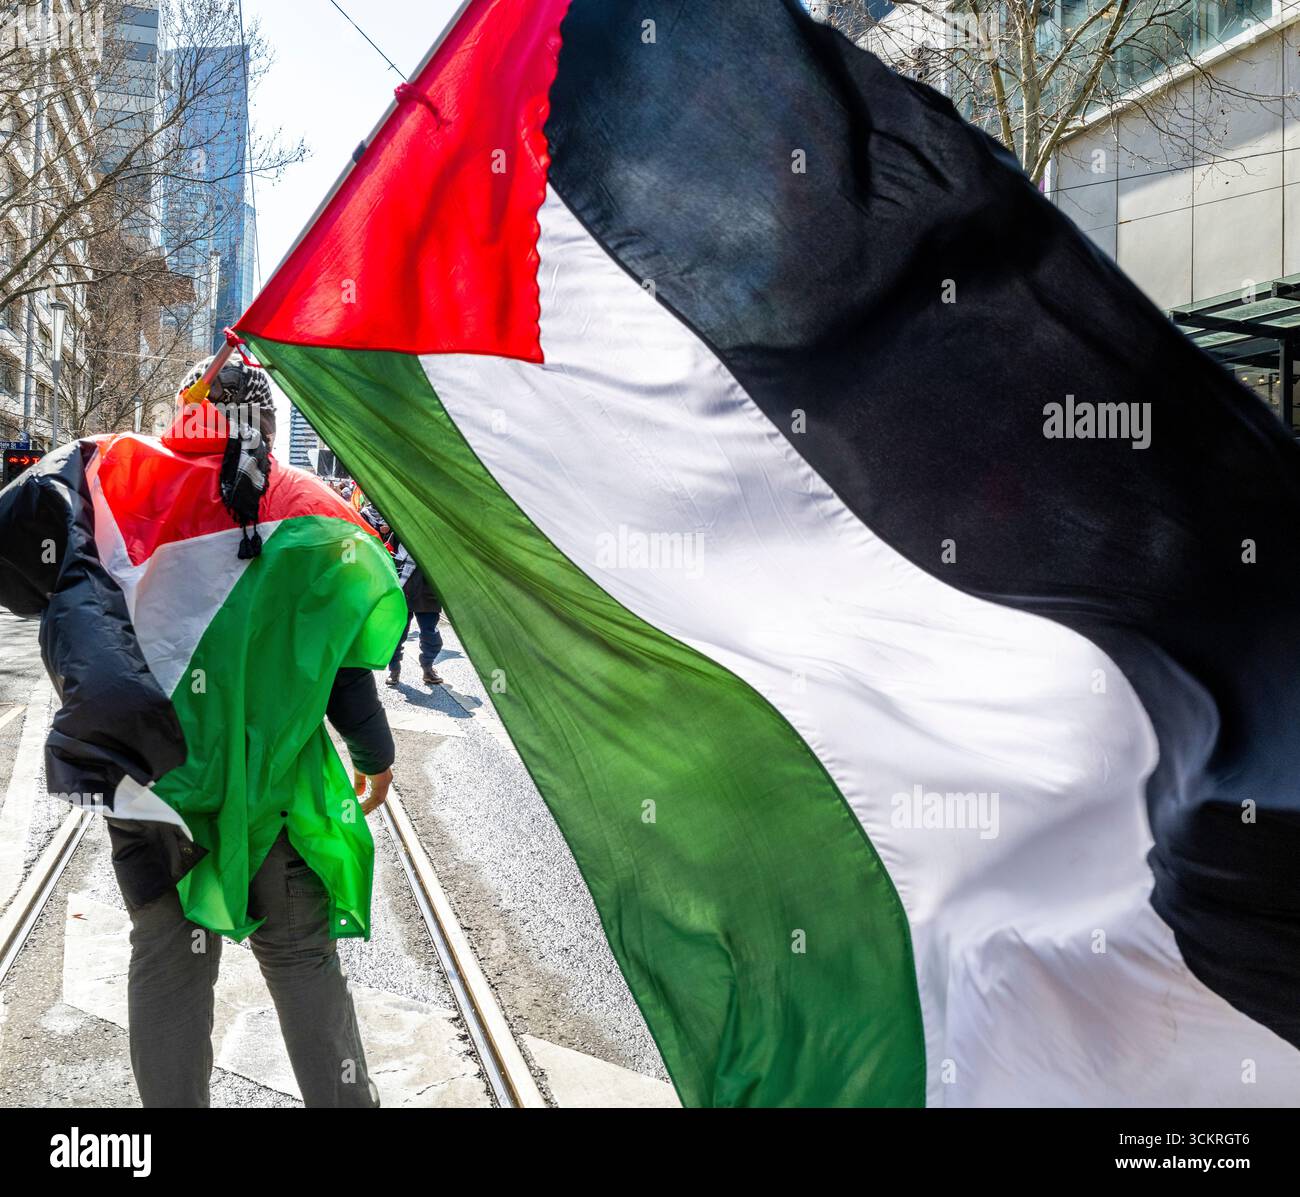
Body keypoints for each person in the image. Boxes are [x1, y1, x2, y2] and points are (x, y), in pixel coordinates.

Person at [0, 352, 406, 1108]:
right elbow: (343, 664)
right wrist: (375, 755)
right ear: (267, 423)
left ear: (184, 410)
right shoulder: (312, 513)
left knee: (168, 958)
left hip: (153, 789)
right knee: (299, 958)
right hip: (269, 793)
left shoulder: (119, 481)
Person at [387, 534, 445, 688]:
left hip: (428, 592)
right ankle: (394, 670)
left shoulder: (434, 532)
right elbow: (388, 552)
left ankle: (428, 668)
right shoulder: (398, 529)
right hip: (402, 589)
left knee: (431, 635)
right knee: (397, 635)